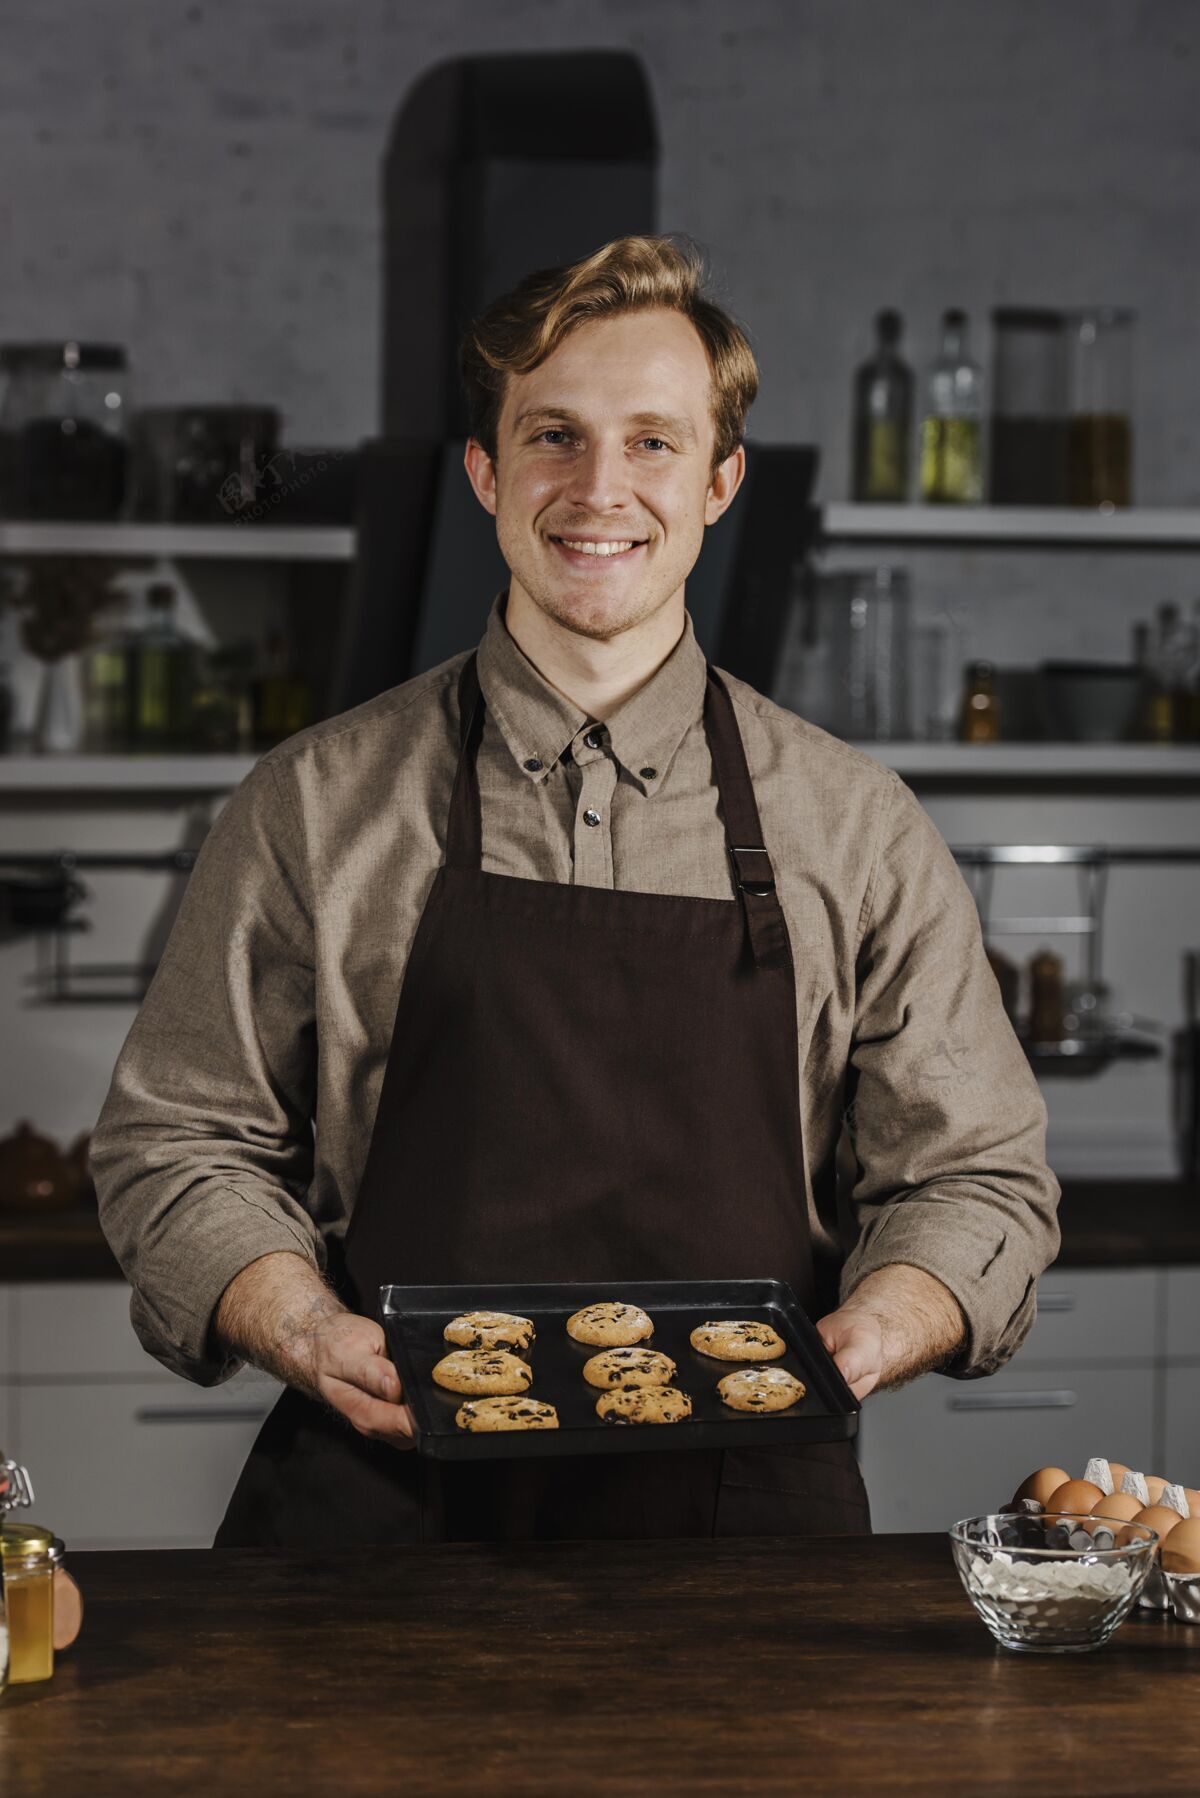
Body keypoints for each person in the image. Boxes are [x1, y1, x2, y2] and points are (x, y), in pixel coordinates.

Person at [90, 235, 1060, 1545]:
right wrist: (304, 1324)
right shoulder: (315, 804)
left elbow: (981, 1178)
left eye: (653, 443)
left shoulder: (857, 827)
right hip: (375, 1541)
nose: (599, 487)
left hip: (749, 1553)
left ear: (722, 482)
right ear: (487, 472)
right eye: (554, 435)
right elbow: (174, 1142)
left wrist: (873, 1332)